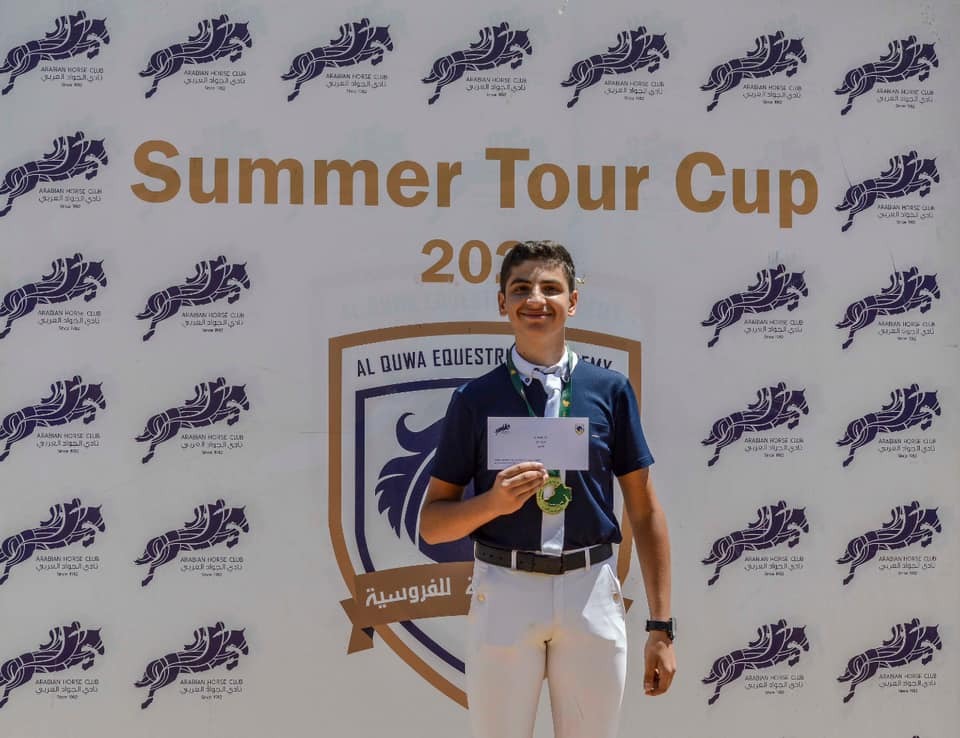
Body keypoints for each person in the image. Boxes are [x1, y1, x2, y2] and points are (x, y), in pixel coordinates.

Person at [420, 241, 675, 738]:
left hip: (590, 591)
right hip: (505, 590)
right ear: (502, 303)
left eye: (551, 288)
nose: (535, 299)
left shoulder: (610, 391)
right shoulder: (475, 399)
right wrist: (492, 503)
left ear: (572, 302)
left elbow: (644, 512)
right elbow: (433, 524)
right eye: (521, 289)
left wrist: (661, 627)